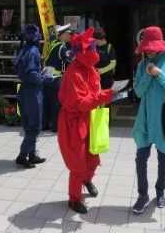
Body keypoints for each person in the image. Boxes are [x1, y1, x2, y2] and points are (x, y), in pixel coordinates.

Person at [57, 27, 113, 214]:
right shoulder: (74, 73)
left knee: (93, 158)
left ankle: (87, 180)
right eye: (91, 50)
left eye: (95, 49)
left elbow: (94, 94)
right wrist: (104, 96)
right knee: (78, 163)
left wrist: (105, 95)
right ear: (81, 53)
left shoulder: (91, 70)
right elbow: (80, 103)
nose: (95, 53)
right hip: (75, 123)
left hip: (91, 119)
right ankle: (74, 199)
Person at [131, 26, 165, 215]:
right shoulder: (142, 65)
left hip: (163, 118)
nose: (149, 51)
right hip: (144, 118)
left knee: (163, 157)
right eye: (147, 48)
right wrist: (148, 75)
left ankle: (160, 192)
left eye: (152, 47)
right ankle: (142, 195)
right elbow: (139, 92)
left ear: (160, 46)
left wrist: (159, 74)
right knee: (140, 159)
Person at [14, 24, 53, 168]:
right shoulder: (33, 51)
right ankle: (23, 155)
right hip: (32, 92)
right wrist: (46, 78)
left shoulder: (23, 49)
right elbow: (32, 74)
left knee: (28, 125)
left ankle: (32, 154)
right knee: (35, 126)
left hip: (24, 90)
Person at [42, 23, 73, 132]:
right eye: (68, 34)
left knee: (46, 102)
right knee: (56, 103)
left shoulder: (54, 43)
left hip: (46, 76)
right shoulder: (61, 47)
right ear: (62, 35)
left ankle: (44, 125)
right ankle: (56, 127)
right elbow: (69, 59)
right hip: (54, 78)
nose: (70, 36)